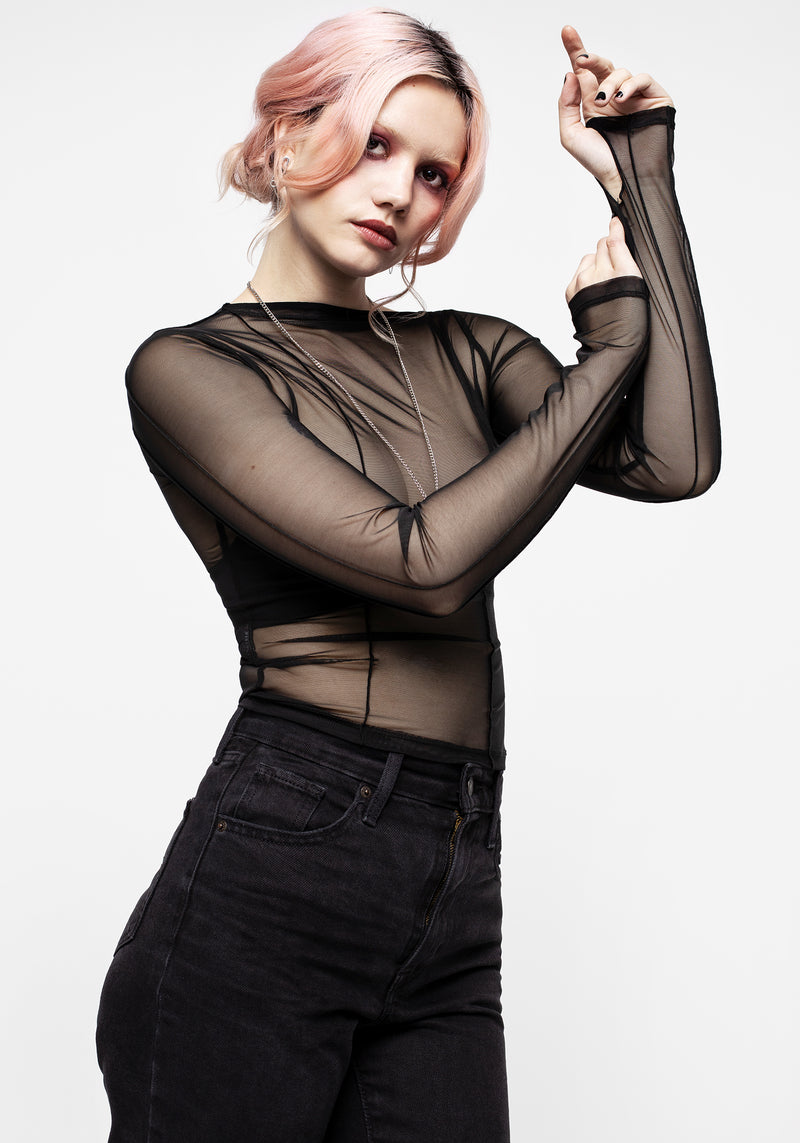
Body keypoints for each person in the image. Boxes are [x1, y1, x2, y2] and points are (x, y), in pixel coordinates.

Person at [96, 10, 720, 1142]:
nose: (399, 193)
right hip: (274, 870)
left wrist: (639, 174)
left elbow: (670, 461)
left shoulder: (470, 352)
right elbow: (420, 564)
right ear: (287, 136)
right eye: (375, 144)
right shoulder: (190, 368)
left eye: (435, 174)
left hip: (454, 877)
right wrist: (612, 351)